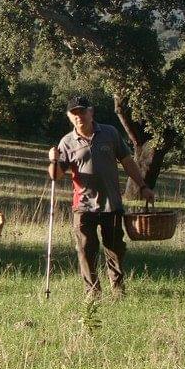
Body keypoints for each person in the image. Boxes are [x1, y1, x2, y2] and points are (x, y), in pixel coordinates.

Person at [48, 96, 155, 298]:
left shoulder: (110, 133)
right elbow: (56, 175)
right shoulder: (67, 142)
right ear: (69, 117)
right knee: (86, 250)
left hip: (111, 204)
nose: (78, 116)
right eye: (74, 113)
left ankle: (117, 289)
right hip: (83, 206)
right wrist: (53, 161)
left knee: (115, 249)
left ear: (91, 112)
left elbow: (127, 161)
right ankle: (93, 292)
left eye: (82, 111)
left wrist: (142, 186)